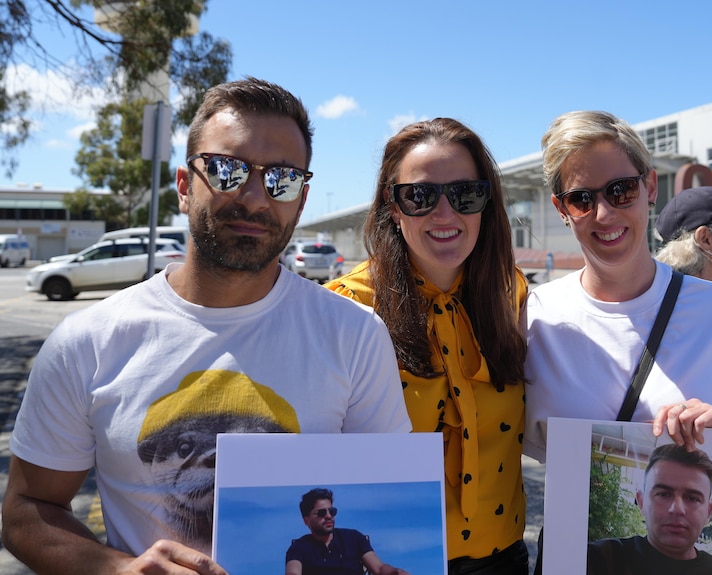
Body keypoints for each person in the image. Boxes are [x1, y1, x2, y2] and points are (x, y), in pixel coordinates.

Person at [0, 77, 412, 575]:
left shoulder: (355, 336)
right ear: (182, 186)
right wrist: (116, 569)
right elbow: (26, 511)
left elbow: (387, 502)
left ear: (301, 202)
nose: (256, 198)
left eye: (281, 179)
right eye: (226, 170)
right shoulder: (87, 341)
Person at [523, 110, 712, 572]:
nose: (604, 213)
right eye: (581, 198)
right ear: (561, 208)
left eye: (620, 190)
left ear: (649, 187)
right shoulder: (534, 319)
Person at [325, 118, 530, 574]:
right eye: (419, 196)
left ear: (485, 205)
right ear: (392, 208)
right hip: (398, 564)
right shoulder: (344, 308)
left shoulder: (511, 293)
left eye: (465, 195)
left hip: (506, 559)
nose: (444, 214)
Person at [587, 444, 712, 575]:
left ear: (708, 512)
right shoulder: (597, 560)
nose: (677, 509)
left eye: (692, 498)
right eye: (663, 494)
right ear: (641, 502)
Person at [285, 488, 410, 575]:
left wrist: (396, 572)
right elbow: (292, 571)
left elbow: (379, 568)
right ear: (306, 520)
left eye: (332, 511)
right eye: (322, 512)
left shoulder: (354, 538)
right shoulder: (299, 547)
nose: (329, 516)